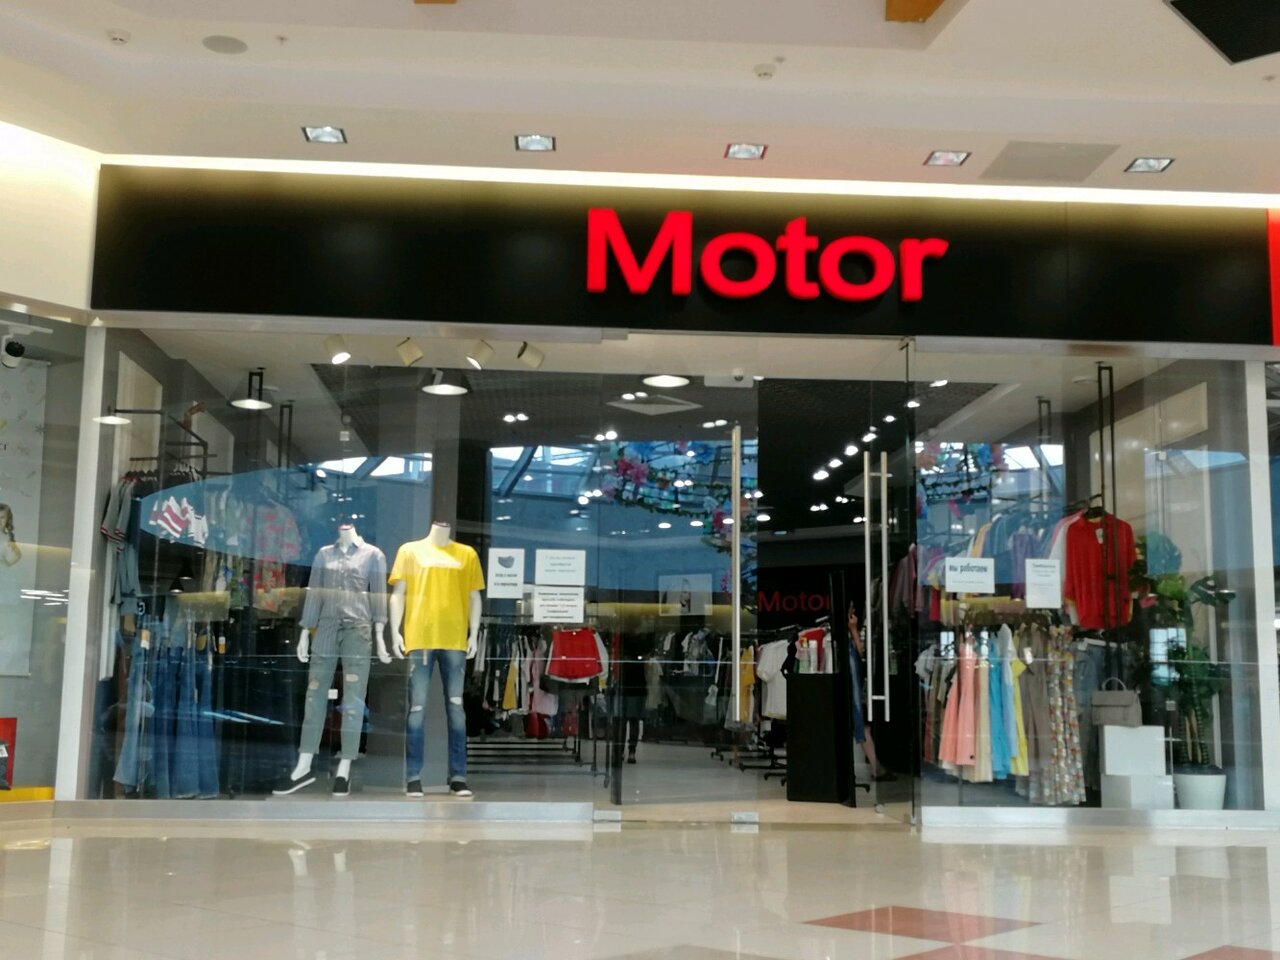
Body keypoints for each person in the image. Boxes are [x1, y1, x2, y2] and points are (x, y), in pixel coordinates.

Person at [848, 602, 894, 782]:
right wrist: (853, 630)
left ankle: (876, 767)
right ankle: (876, 768)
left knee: (864, 727)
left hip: (857, 692)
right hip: (855, 694)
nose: (854, 612)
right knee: (862, 726)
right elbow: (861, 653)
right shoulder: (847, 641)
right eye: (851, 609)